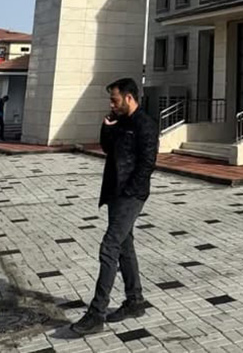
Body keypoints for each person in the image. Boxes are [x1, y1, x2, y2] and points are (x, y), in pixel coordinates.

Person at [72, 77, 159, 336]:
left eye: (115, 99)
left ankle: (97, 312)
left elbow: (147, 163)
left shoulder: (145, 124)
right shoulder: (119, 121)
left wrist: (131, 191)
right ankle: (135, 300)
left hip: (130, 195)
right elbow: (109, 149)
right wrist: (107, 128)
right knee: (124, 245)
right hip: (115, 192)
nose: (112, 103)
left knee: (109, 246)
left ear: (129, 98)